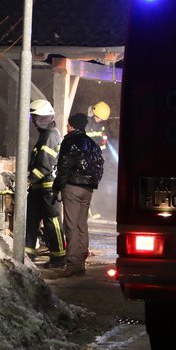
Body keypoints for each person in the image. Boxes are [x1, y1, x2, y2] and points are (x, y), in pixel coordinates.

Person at [43, 112, 105, 278]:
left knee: (70, 225)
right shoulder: (92, 143)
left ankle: (72, 263)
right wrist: (92, 182)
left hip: (73, 186)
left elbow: (64, 166)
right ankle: (81, 262)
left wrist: (57, 187)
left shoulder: (70, 141)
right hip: (88, 188)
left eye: (68, 125)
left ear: (71, 126)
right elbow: (100, 164)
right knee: (81, 225)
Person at [26, 99, 66, 267]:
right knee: (31, 220)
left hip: (47, 187)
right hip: (38, 188)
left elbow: (44, 164)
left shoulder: (50, 136)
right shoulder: (45, 135)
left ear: (41, 118)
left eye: (34, 117)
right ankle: (27, 255)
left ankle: (59, 257)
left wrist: (29, 179)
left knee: (52, 221)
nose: (33, 121)